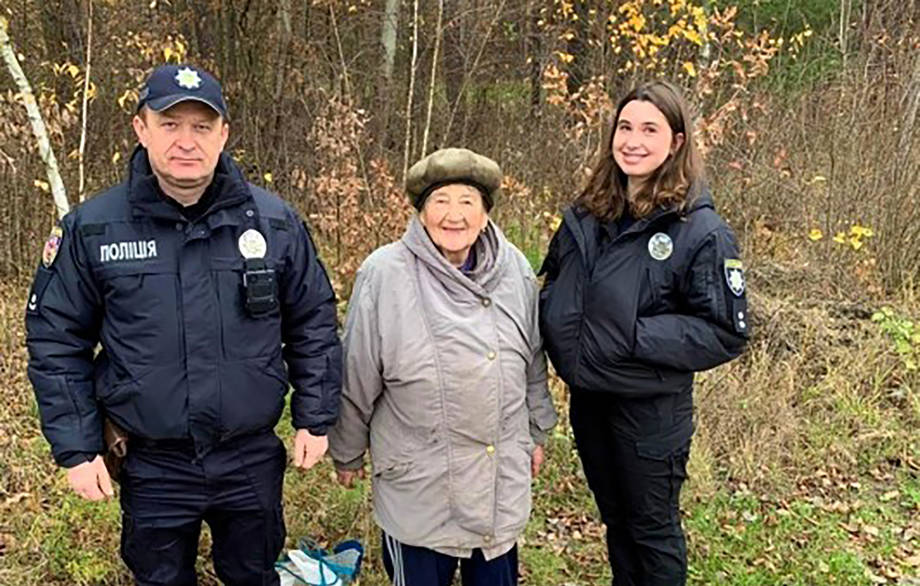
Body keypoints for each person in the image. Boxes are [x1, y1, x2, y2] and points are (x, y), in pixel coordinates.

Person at [25, 63, 342, 586]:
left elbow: (312, 319)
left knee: (253, 572)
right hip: (152, 461)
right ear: (141, 129)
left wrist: (315, 414)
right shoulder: (93, 229)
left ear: (224, 134)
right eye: (170, 124)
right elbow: (57, 341)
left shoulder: (275, 223)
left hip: (248, 456)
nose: (186, 142)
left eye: (201, 126)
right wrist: (78, 449)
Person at [539, 80, 750, 585]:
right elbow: (553, 281)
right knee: (616, 523)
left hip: (650, 410)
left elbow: (723, 331)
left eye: (649, 129)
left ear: (676, 142)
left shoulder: (699, 231)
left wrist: (629, 336)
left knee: (651, 530)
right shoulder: (588, 214)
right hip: (590, 399)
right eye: (625, 127)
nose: (633, 140)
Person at [328, 148, 558, 586]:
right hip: (420, 482)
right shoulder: (384, 273)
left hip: (498, 480)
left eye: (468, 201)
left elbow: (531, 360)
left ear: (486, 212)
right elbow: (356, 373)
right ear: (420, 212)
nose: (454, 215)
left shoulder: (515, 270)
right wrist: (347, 449)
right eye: (441, 201)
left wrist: (538, 429)